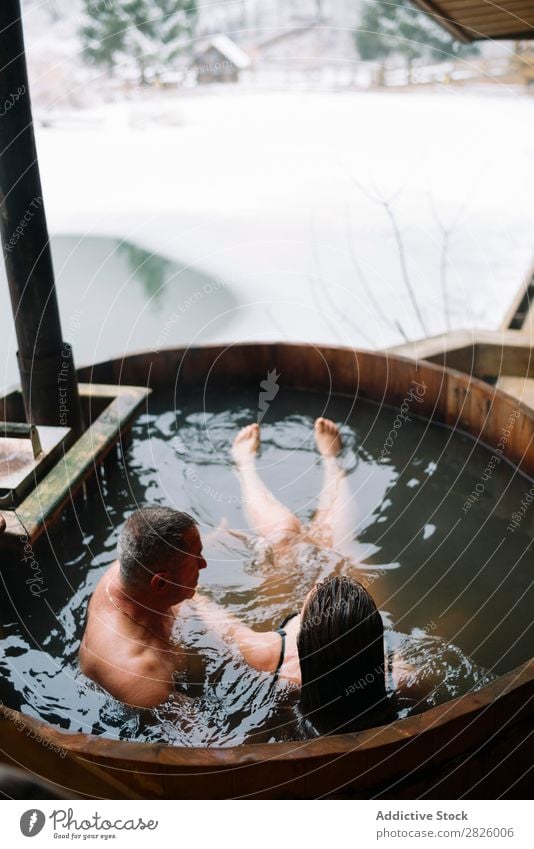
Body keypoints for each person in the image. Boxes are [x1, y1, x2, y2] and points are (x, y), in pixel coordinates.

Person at [79, 507, 207, 708]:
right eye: (196, 560)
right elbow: (200, 738)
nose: (204, 564)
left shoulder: (133, 567)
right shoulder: (140, 674)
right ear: (161, 583)